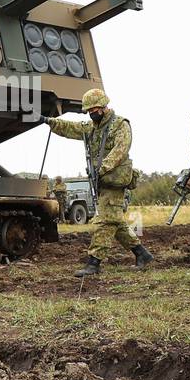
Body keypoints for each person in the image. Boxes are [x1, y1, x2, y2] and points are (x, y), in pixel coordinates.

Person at [45, 88, 152, 276]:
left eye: (93, 110)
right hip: (102, 181)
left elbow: (120, 150)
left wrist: (101, 168)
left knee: (104, 221)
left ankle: (94, 262)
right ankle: (141, 254)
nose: (90, 114)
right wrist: (48, 121)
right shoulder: (92, 128)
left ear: (103, 107)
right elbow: (71, 128)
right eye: (88, 111)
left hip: (115, 181)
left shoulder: (120, 125)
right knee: (115, 220)